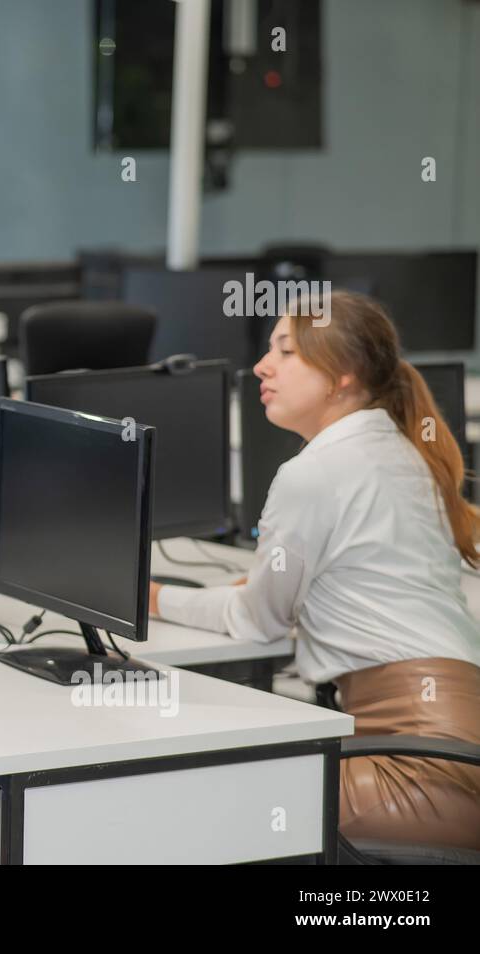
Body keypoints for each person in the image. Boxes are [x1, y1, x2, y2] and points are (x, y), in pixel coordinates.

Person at [150, 290, 480, 850]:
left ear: (342, 375)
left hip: (424, 769)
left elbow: (258, 623)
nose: (262, 365)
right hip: (452, 742)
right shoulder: (399, 450)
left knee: (199, 804)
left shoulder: (316, 472)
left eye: (287, 350)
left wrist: (157, 598)